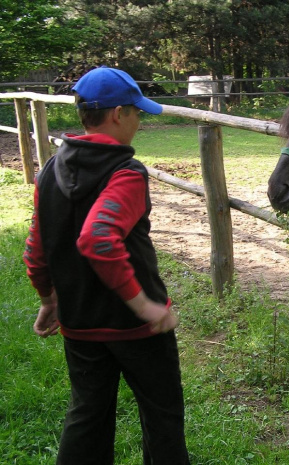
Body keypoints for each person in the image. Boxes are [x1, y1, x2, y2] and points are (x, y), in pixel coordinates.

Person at [23, 66, 190, 465]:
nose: (139, 121)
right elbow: (97, 238)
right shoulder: (126, 173)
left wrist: (48, 299)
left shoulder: (49, 170)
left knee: (87, 415)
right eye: (136, 112)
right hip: (139, 327)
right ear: (118, 114)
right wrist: (143, 305)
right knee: (162, 416)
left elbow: (36, 249)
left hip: (79, 323)